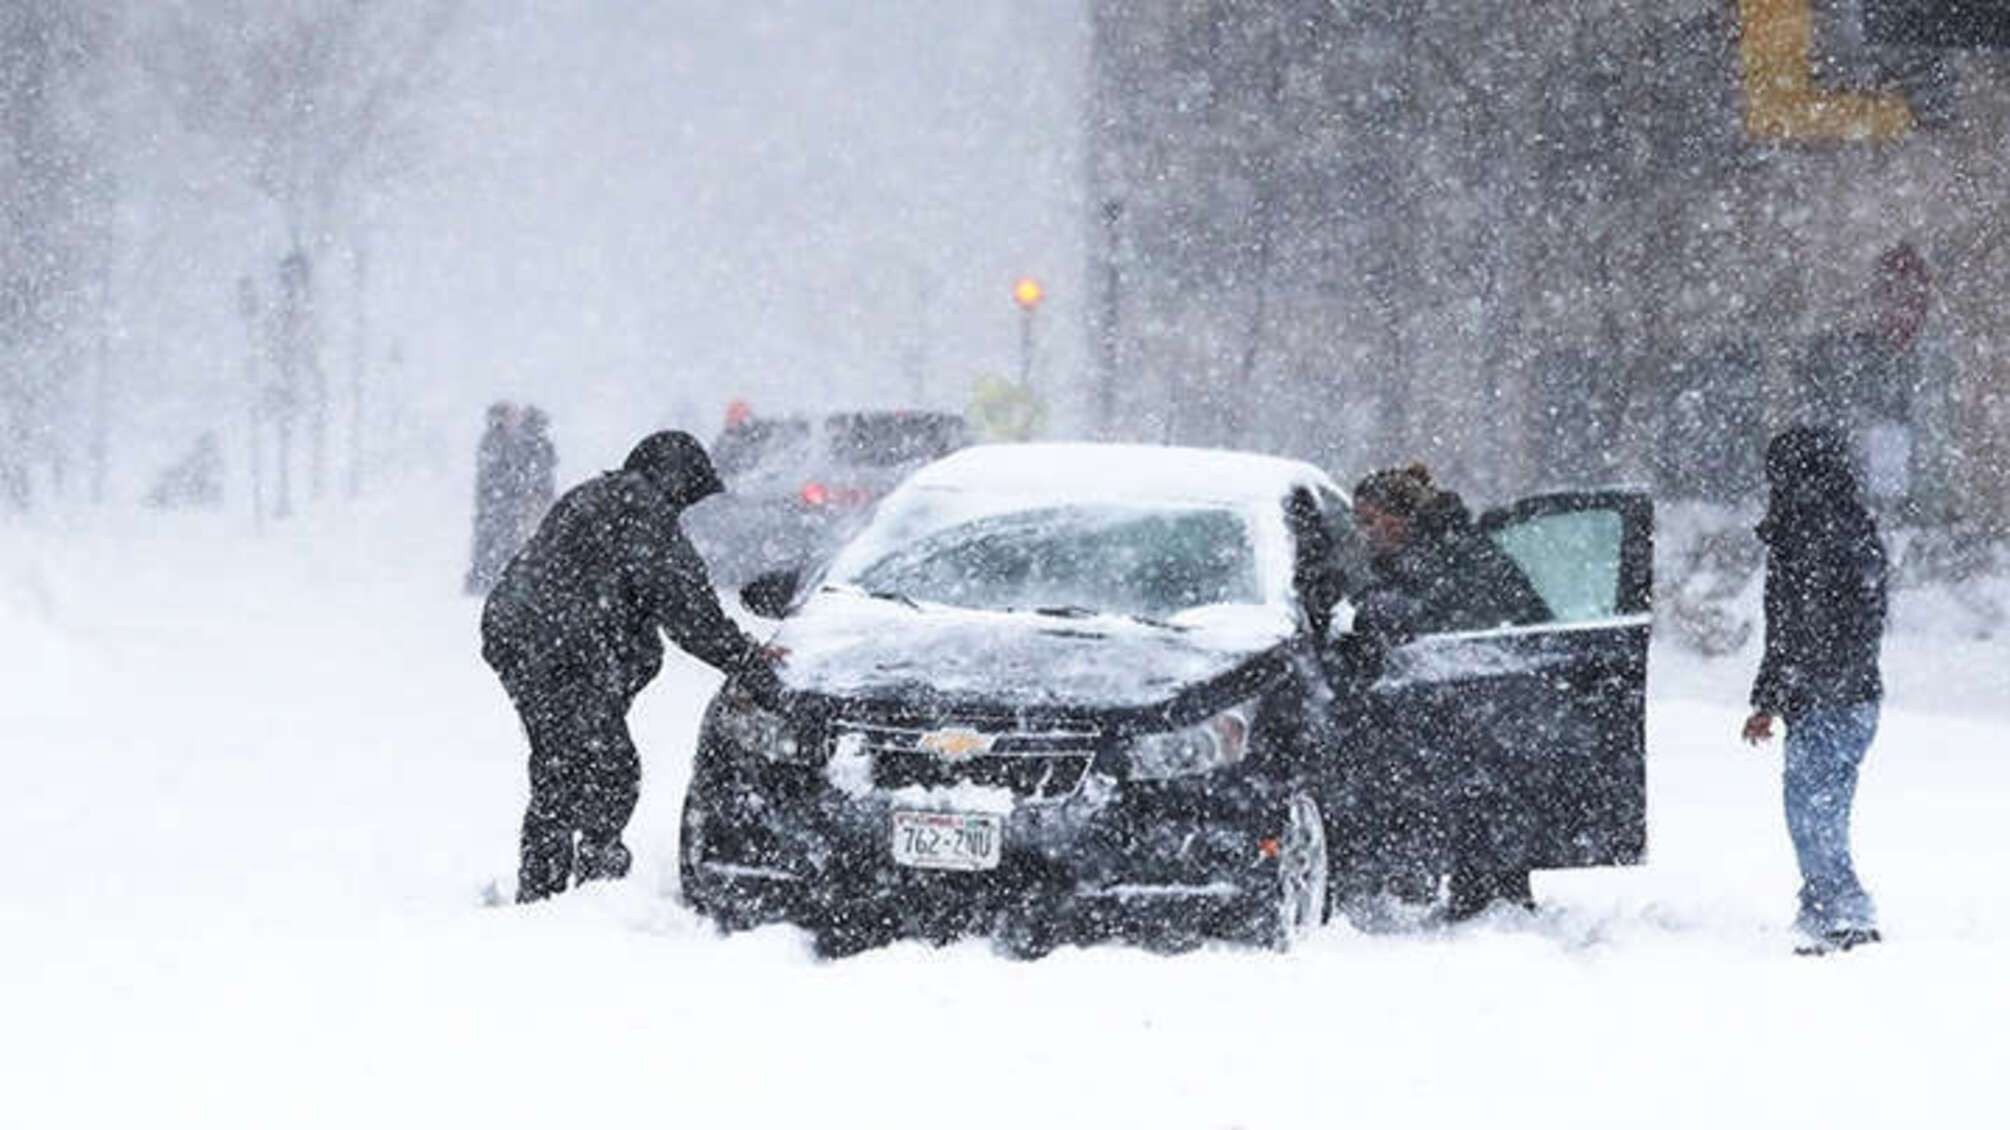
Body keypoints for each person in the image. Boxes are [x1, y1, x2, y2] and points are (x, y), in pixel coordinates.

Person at [481, 430, 786, 903]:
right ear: (673, 480)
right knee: (610, 769)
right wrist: (751, 665)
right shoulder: (641, 512)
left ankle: (546, 891)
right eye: (685, 497)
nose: (682, 511)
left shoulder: (596, 497)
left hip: (519, 636)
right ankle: (593, 890)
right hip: (561, 648)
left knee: (561, 764)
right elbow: (689, 612)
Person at [1350, 464, 1552, 921]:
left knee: (1482, 810)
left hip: (1486, 708)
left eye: (1369, 519)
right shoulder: (1423, 554)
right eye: (1358, 522)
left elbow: (1456, 622)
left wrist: (1390, 612)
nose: (1363, 532)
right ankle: (1482, 898)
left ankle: (1494, 907)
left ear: (1401, 518)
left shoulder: (1456, 554)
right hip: (1459, 712)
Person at [1741, 425, 1887, 955]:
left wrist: (1777, 697)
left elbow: (1795, 628)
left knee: (1811, 807)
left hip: (1828, 697)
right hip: (1853, 693)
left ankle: (1842, 909)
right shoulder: (1853, 528)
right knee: (1822, 805)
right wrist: (1775, 697)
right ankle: (1822, 905)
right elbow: (1838, 623)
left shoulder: (1806, 535)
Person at [464, 402, 520, 595]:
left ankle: (486, 579)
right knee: (496, 542)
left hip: (495, 505)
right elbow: (498, 476)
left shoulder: (495, 441)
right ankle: (488, 580)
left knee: (493, 543)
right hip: (498, 505)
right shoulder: (497, 442)